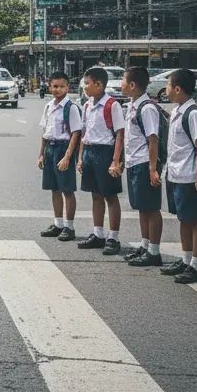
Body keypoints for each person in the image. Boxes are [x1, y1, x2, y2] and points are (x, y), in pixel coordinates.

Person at [159, 68, 197, 283]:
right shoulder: (178, 112)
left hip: (190, 177)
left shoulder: (193, 114)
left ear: (178, 89)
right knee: (184, 219)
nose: (166, 90)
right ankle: (186, 259)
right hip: (176, 175)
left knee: (196, 220)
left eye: (168, 85)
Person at [76, 66, 125, 255]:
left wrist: (115, 161)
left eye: (87, 83)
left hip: (106, 152)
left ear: (99, 84)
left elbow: (120, 134)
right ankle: (98, 233)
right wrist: (81, 157)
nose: (85, 86)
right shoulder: (87, 105)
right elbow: (84, 132)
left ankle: (113, 237)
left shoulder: (112, 105)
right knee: (95, 195)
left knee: (110, 196)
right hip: (90, 151)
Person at [121, 66, 164, 267]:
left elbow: (153, 139)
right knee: (141, 208)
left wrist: (153, 169)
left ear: (132, 84)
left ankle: (154, 252)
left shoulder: (146, 108)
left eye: (122, 80)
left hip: (145, 163)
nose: (120, 84)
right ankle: (145, 245)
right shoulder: (133, 105)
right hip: (134, 162)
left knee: (151, 209)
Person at [38, 72, 83, 241]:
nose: (58, 89)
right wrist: (41, 154)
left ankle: (69, 227)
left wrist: (67, 157)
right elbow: (45, 131)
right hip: (50, 148)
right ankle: (58, 224)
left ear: (67, 87)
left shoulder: (70, 107)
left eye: (61, 86)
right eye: (54, 86)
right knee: (54, 189)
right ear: (49, 87)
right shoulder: (49, 106)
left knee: (67, 190)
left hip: (63, 149)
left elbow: (76, 133)